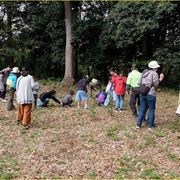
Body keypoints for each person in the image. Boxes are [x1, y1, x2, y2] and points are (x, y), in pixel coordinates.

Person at [136, 61, 164, 130]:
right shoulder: (154, 73)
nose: (157, 69)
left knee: (142, 109)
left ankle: (138, 125)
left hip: (142, 93)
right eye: (156, 67)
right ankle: (150, 126)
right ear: (154, 68)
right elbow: (156, 84)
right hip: (151, 94)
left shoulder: (143, 72)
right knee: (151, 110)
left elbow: (138, 82)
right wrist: (160, 78)